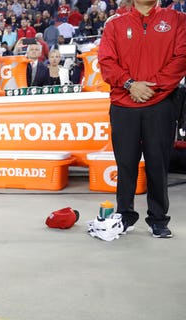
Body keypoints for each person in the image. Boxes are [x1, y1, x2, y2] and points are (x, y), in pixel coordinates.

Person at [98, 0, 186, 238]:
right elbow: (106, 62)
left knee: (158, 163)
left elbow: (181, 58)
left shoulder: (177, 20)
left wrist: (150, 88)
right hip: (123, 104)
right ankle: (125, 215)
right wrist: (130, 84)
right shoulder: (115, 24)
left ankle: (158, 219)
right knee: (125, 164)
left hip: (161, 104)